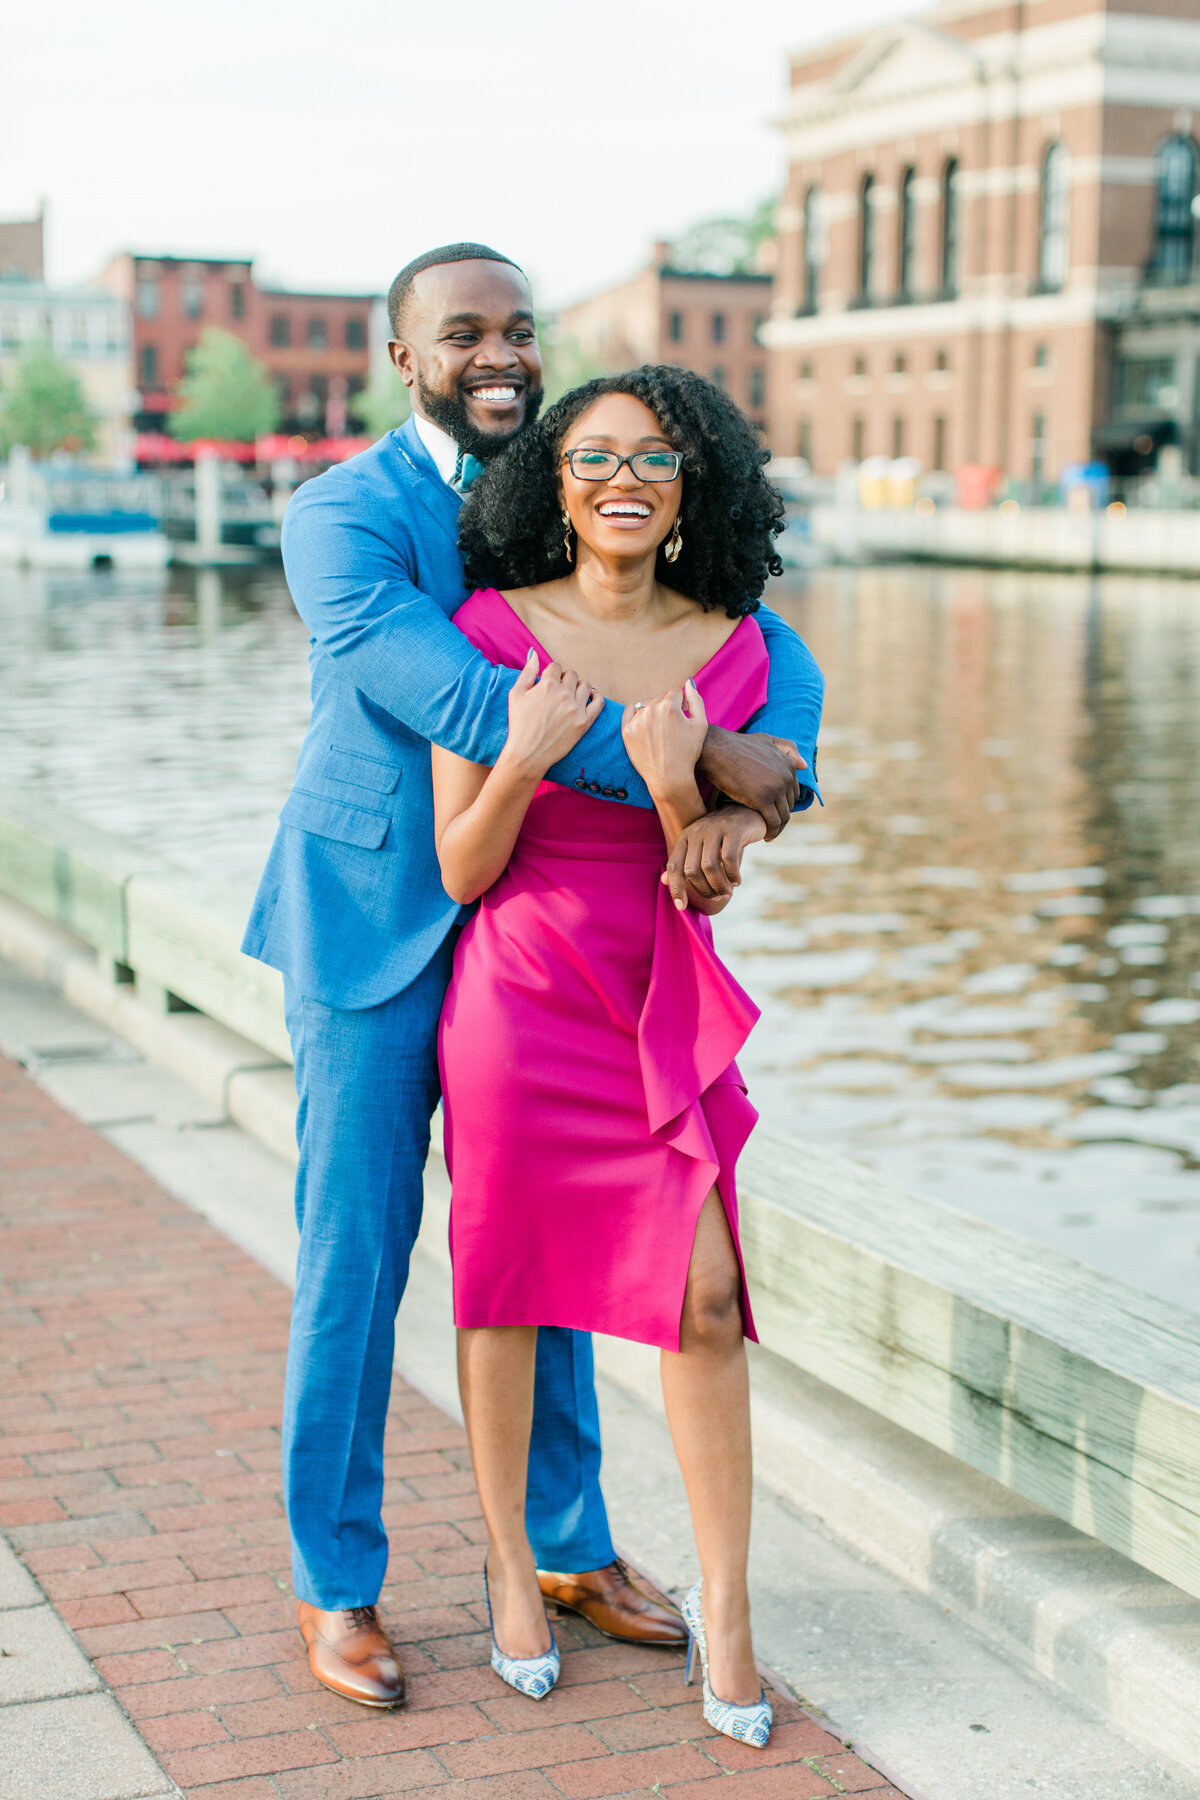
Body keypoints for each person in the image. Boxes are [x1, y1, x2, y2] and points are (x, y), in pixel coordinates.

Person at [242, 242, 823, 1708]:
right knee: (357, 1267)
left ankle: (570, 1547)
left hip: (548, 945)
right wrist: (706, 763)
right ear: (403, 356)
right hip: (379, 925)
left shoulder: (558, 478)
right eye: (462, 334)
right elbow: (457, 694)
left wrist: (761, 783)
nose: (498, 354)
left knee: (550, 1251)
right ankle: (340, 1582)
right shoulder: (341, 515)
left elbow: (698, 639)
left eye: (518, 330)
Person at [434, 366, 817, 1748]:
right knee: (505, 1290)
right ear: (557, 479)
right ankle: (515, 1581)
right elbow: (462, 868)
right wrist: (524, 759)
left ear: (689, 484)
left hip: (660, 986)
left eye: (654, 457)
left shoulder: (744, 651)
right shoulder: (486, 628)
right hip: (518, 995)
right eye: (593, 455)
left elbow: (709, 866)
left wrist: (678, 793)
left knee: (706, 1302)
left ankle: (728, 1610)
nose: (623, 478)